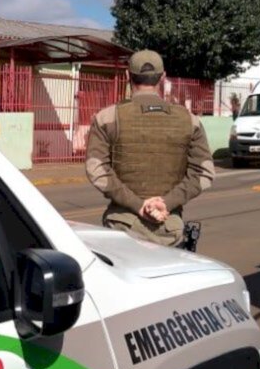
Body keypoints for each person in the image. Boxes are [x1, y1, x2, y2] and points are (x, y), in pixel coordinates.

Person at [85, 50, 215, 247]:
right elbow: (203, 173)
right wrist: (167, 203)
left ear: (127, 76)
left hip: (122, 226)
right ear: (162, 78)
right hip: (169, 227)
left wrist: (138, 206)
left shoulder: (107, 118)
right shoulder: (190, 120)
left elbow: (97, 170)